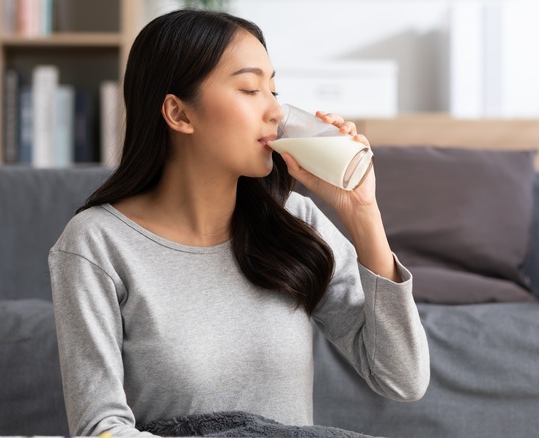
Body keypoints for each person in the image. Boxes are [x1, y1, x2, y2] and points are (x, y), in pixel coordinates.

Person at [49, 8, 430, 437]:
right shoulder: (96, 244)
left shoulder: (295, 223)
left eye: (274, 89)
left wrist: (362, 213)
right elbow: (100, 427)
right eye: (250, 89)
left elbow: (402, 379)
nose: (276, 111)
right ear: (179, 114)